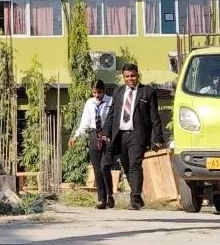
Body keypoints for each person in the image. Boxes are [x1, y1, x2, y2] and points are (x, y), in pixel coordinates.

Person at [103, 62, 165, 210]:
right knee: (126, 166)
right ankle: (137, 195)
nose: (130, 79)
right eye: (127, 76)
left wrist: (158, 138)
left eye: (133, 76)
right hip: (121, 135)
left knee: (135, 166)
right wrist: (106, 132)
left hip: (138, 135)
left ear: (138, 75)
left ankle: (135, 199)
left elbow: (154, 116)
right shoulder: (118, 91)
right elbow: (112, 113)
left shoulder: (147, 91)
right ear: (123, 77)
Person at [69, 80, 114, 209]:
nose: (97, 95)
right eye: (94, 92)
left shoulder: (111, 101)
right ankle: (101, 199)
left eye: (99, 92)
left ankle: (110, 195)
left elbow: (113, 119)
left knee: (105, 167)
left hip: (107, 135)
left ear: (103, 91)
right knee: (97, 168)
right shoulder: (90, 103)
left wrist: (110, 134)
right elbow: (85, 122)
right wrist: (76, 136)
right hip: (94, 134)